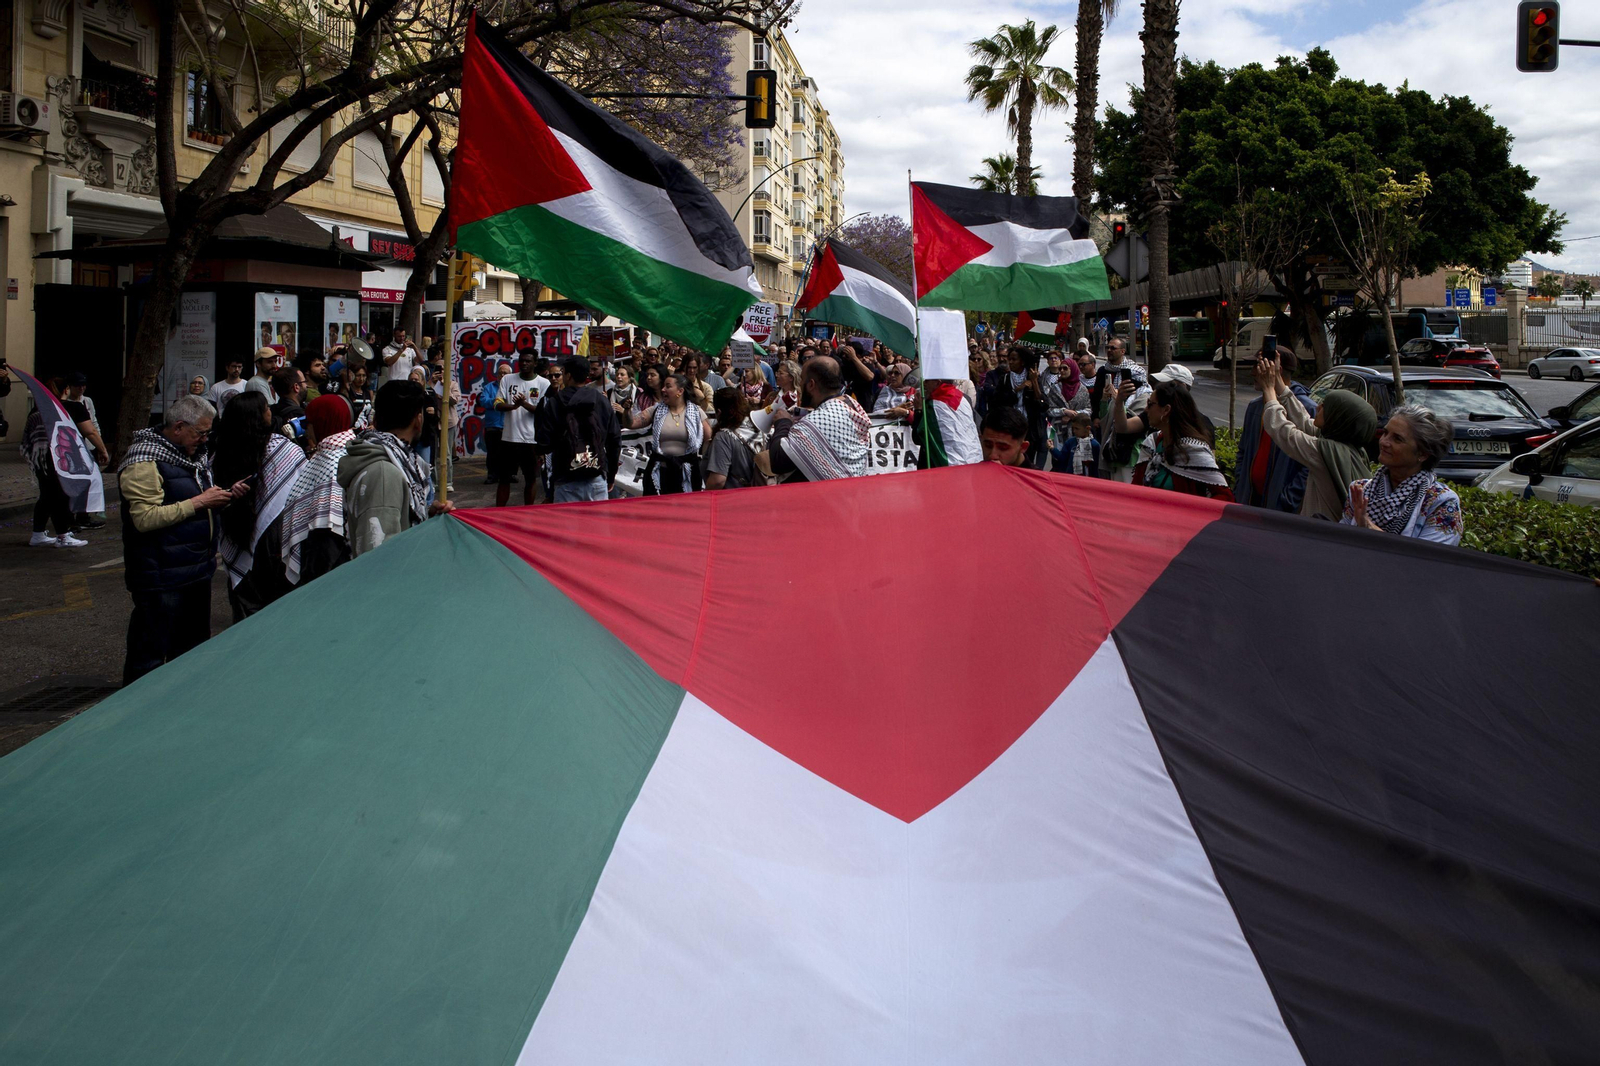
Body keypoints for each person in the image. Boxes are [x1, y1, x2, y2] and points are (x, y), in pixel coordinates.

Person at [118, 395, 248, 683]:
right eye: (199, 433)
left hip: (195, 572)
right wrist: (201, 501)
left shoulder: (189, 457)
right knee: (149, 658)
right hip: (161, 577)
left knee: (190, 654)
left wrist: (221, 498)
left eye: (207, 433)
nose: (204, 440)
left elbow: (190, 503)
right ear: (178, 427)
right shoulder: (144, 461)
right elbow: (144, 518)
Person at [213, 390, 307, 620]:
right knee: (279, 615)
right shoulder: (285, 449)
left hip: (240, 537)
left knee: (248, 614)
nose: (270, 412)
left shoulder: (221, 454)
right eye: (266, 408)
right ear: (256, 417)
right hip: (277, 544)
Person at [1249, 354, 1375, 521]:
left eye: (1326, 406)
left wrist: (1269, 390)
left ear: (1337, 419)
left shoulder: (1326, 453)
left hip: (1323, 536)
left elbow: (1283, 431)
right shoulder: (1346, 446)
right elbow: (1303, 420)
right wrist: (1278, 380)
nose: (1318, 406)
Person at [339, 379, 453, 556]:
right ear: (419, 419)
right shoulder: (385, 474)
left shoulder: (391, 462)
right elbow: (380, 554)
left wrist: (426, 515)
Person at [1343, 404, 1462, 545]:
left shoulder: (1441, 503)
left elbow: (1425, 560)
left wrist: (1368, 526)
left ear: (1422, 454)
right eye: (1385, 433)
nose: (1384, 442)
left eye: (1397, 439)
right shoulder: (1360, 490)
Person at [280, 394, 357, 586]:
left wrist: (312, 580)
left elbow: (328, 533)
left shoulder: (335, 465)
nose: (306, 430)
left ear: (323, 423)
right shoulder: (334, 453)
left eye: (310, 423)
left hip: (329, 575)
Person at [758, 357, 870, 482]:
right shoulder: (850, 405)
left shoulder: (814, 422)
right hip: (852, 491)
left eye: (801, 380)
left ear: (811, 384)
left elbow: (778, 461)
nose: (799, 384)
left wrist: (783, 423)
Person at [1235, 350, 1320, 514]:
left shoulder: (1307, 409)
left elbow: (1311, 463)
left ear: (1276, 371)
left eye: (1258, 366)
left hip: (1281, 509)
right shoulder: (1254, 407)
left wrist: (1288, 499)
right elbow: (1243, 452)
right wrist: (1240, 487)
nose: (1253, 372)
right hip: (1250, 502)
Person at [536, 356, 622, 502]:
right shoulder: (601, 400)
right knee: (597, 524)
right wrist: (611, 474)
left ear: (568, 375)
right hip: (596, 476)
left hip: (565, 479)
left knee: (566, 524)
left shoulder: (554, 403)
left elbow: (543, 443)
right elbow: (614, 440)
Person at [1128, 381, 1230, 498]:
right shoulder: (1151, 444)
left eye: (1150, 404)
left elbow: (1224, 497)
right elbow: (1135, 488)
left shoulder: (1194, 451)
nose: (1146, 409)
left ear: (1166, 410)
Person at [493, 350, 550, 506]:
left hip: (531, 440)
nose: (524, 363)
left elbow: (544, 411)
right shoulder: (507, 379)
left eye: (528, 361)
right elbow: (497, 404)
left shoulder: (543, 384)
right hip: (509, 438)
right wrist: (513, 406)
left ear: (535, 363)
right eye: (522, 360)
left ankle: (528, 511)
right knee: (504, 478)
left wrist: (524, 405)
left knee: (531, 479)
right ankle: (499, 511)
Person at [638, 372, 707, 494]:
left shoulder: (695, 412)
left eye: (668, 386)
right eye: (663, 386)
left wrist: (703, 463)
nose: (663, 389)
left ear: (680, 391)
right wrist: (627, 411)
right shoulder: (656, 409)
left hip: (687, 471)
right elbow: (631, 424)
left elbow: (709, 436)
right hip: (660, 471)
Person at [1090, 338, 1148, 481]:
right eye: (1108, 348)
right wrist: (1097, 413)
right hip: (1107, 419)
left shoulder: (1136, 373)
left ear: (1122, 351)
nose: (1109, 350)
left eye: (1113, 348)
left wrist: (1118, 399)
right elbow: (1097, 395)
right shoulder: (1103, 370)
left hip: (1128, 437)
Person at [985, 347, 1050, 469]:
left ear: (1022, 361)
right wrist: (1017, 389)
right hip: (1010, 428)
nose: (1011, 362)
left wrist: (1034, 382)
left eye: (1014, 359)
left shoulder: (1033, 377)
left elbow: (1043, 404)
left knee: (1026, 462)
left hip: (1030, 429)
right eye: (1009, 359)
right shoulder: (1005, 379)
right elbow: (997, 401)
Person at [916, 380, 983, 465]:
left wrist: (918, 410)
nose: (924, 384)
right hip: (972, 459)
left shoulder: (933, 406)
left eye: (927, 381)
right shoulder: (964, 398)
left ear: (937, 382)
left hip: (947, 465)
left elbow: (919, 437)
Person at [706, 387, 758, 489]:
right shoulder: (759, 427)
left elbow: (718, 481)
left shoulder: (723, 437)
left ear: (719, 412)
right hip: (762, 494)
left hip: (734, 498)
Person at [478, 360, 510, 485]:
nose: (502, 376)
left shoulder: (511, 387)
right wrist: (499, 401)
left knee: (507, 453)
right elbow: (483, 401)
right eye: (500, 373)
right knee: (492, 452)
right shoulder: (489, 387)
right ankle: (492, 475)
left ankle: (508, 474)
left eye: (505, 373)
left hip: (508, 425)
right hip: (493, 425)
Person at [1052, 413, 1101, 477]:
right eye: (1073, 428)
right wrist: (1052, 449)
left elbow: (1096, 467)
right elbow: (1062, 458)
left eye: (1077, 428)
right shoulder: (1070, 442)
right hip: (1071, 477)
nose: (1074, 431)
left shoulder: (1094, 445)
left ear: (1087, 428)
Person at [270, 367, 306, 431]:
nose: (306, 385)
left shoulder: (271, 412)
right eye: (304, 382)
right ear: (296, 387)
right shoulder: (301, 417)